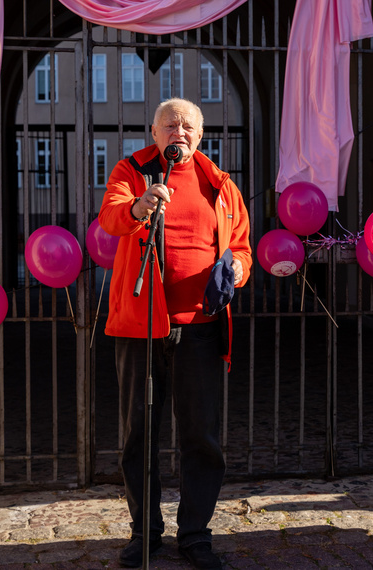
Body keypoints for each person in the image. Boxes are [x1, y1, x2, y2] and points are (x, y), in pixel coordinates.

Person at [99, 97, 252, 569]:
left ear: (200, 135)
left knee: (200, 437)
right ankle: (144, 532)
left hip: (201, 331)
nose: (178, 132)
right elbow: (111, 217)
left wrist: (236, 270)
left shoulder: (221, 184)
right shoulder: (133, 170)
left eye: (187, 125)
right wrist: (143, 205)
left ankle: (195, 534)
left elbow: (243, 248)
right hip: (140, 330)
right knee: (138, 436)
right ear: (154, 132)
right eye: (169, 125)